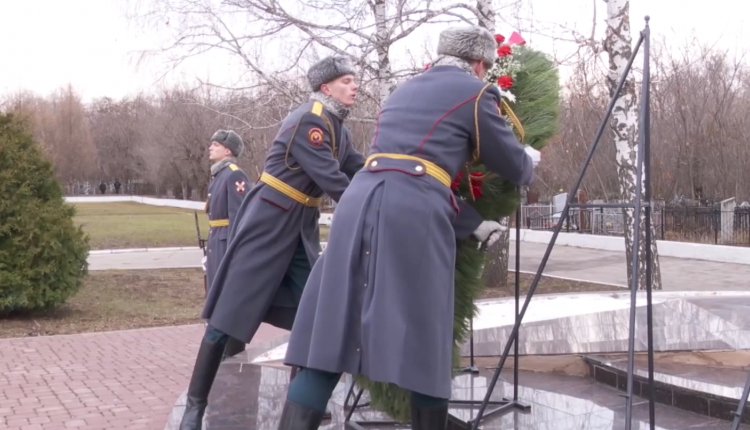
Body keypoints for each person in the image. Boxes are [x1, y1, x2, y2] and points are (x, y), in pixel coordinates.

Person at [278, 25, 540, 429]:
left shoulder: (402, 92)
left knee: (333, 335)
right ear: (479, 63)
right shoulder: (476, 92)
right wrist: (528, 158)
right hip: (413, 215)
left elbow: (406, 167)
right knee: (425, 337)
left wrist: (468, 221)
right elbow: (510, 164)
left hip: (358, 202)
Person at [178, 56, 364, 430]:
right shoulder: (310, 119)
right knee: (227, 316)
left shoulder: (338, 128)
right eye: (347, 81)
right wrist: (374, 212)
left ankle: (302, 404)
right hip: (268, 222)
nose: (355, 86)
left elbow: (359, 169)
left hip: (299, 229)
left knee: (311, 316)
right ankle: (194, 408)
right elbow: (335, 180)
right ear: (326, 87)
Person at [202, 129, 250, 359]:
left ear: (228, 150)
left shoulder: (234, 175)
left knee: (227, 299)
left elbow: (239, 218)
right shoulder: (219, 175)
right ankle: (220, 352)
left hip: (225, 245)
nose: (210, 147)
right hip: (216, 242)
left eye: (215, 144)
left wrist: (234, 255)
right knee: (216, 297)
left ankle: (232, 353)